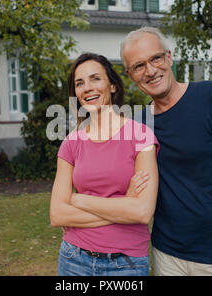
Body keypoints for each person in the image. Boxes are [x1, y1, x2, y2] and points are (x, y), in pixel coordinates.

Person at [120, 27, 212, 276]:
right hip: (166, 254)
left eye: (156, 58)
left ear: (169, 57)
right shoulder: (139, 124)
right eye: (139, 66)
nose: (151, 71)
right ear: (130, 74)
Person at [50, 53, 160, 276]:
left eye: (95, 79)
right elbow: (58, 215)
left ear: (112, 86)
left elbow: (141, 212)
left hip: (125, 263)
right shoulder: (71, 143)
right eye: (79, 83)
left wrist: (78, 199)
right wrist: (123, 204)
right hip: (73, 259)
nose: (87, 88)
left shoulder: (140, 136)